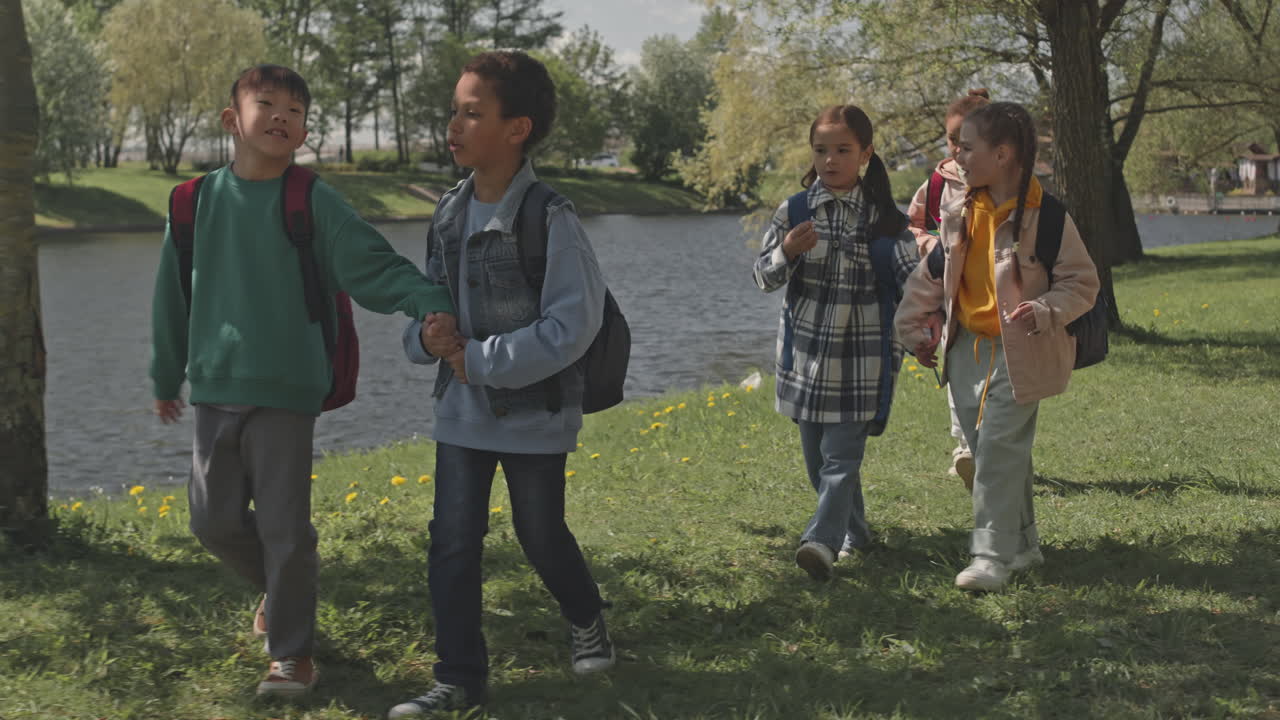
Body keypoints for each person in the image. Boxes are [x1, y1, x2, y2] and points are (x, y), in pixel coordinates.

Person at [149, 64, 456, 697]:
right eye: (268, 103)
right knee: (212, 522)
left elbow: (371, 264)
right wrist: (164, 374)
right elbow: (171, 298)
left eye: (296, 108)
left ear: (305, 130)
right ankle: (280, 593)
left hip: (288, 391)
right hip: (213, 388)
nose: (283, 115)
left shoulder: (311, 199)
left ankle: (292, 656)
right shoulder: (193, 202)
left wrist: (427, 300)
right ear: (234, 119)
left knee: (286, 528)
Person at [388, 50, 614, 718]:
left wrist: (482, 359)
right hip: (460, 414)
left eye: (472, 113)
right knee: (452, 540)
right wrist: (421, 340)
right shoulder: (449, 214)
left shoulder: (551, 217)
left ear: (517, 129)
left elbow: (575, 326)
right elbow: (424, 306)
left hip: (534, 414)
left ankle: (586, 615)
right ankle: (458, 678)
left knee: (539, 534)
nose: (453, 125)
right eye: (454, 111)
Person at [894, 102, 1099, 592]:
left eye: (966, 147)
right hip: (965, 349)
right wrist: (913, 329)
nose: (956, 156)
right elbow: (935, 274)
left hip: (1020, 350)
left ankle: (989, 557)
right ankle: (1024, 545)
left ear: (1002, 154)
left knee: (997, 452)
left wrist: (1046, 309)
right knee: (993, 451)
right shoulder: (959, 207)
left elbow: (1082, 282)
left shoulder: (1047, 216)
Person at [751, 105, 917, 582]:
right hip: (804, 362)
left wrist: (931, 326)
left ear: (865, 154)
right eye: (821, 150)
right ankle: (856, 533)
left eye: (843, 150)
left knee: (842, 459)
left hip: (863, 361)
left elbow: (914, 283)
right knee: (819, 463)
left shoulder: (887, 220)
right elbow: (763, 277)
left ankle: (820, 542)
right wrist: (787, 252)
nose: (831, 160)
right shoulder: (795, 211)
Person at [905, 89, 991, 491]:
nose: (957, 148)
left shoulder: (1005, 182)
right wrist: (930, 246)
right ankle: (966, 450)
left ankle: (994, 447)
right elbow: (916, 223)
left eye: (966, 140)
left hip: (995, 298)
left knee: (995, 379)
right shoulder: (938, 181)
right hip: (950, 296)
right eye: (951, 139)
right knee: (955, 369)